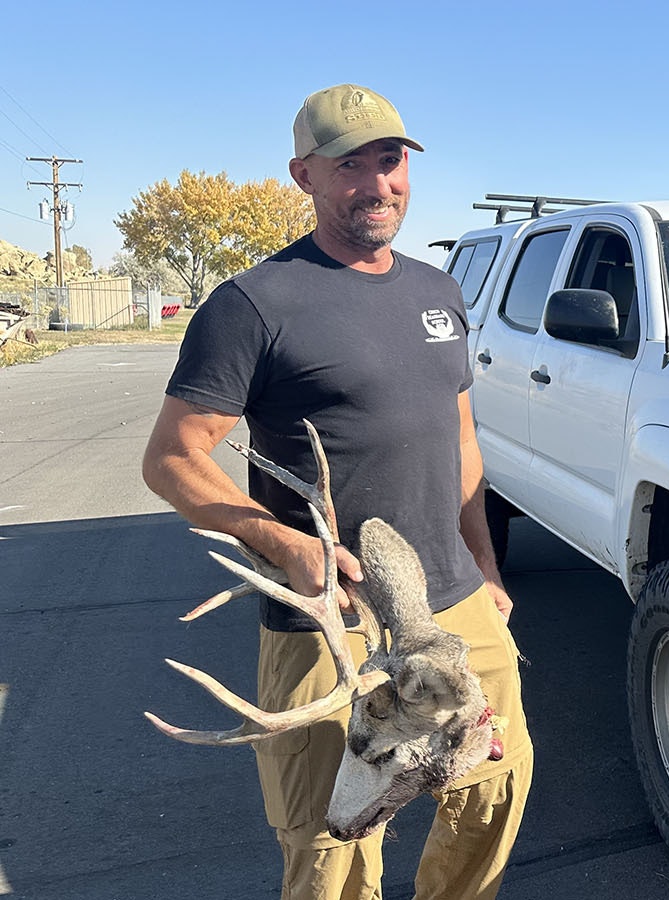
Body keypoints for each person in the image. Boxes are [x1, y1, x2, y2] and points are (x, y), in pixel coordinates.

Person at [142, 83, 533, 900]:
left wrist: (487, 566)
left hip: (453, 608)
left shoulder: (439, 294)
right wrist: (286, 547)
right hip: (330, 625)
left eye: (388, 161)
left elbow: (460, 444)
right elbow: (172, 459)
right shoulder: (253, 304)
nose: (376, 183)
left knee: (492, 794)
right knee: (336, 842)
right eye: (348, 165)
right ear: (304, 176)